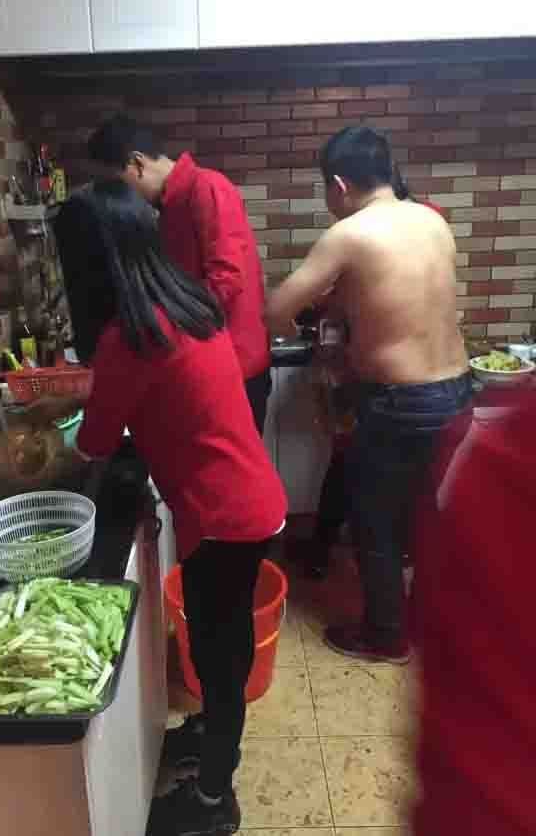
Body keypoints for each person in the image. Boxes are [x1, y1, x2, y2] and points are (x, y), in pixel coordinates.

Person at [30, 181, 286, 836]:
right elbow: (158, 397)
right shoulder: (185, 308)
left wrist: (49, 445)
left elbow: (93, 442)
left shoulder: (130, 338)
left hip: (221, 519)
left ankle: (213, 801)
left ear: (90, 262)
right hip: (248, 501)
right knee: (221, 646)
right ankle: (208, 731)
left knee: (220, 658)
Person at [265, 126, 471, 664]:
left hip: (399, 402)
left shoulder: (350, 233)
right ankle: (430, 620)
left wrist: (315, 337)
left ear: (339, 184)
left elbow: (276, 310)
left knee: (374, 523)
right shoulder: (432, 220)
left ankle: (386, 637)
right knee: (427, 516)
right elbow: (399, 297)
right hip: (457, 392)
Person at [85, 114, 272, 433]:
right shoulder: (168, 208)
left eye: (118, 182)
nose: (120, 195)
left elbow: (226, 281)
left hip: (235, 368)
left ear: (137, 164)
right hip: (203, 366)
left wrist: (161, 331)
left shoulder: (206, 188)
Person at [412, 388, 536, 835]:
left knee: (377, 533)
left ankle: (380, 633)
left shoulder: (497, 458)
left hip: (478, 803)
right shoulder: (498, 456)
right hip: (447, 390)